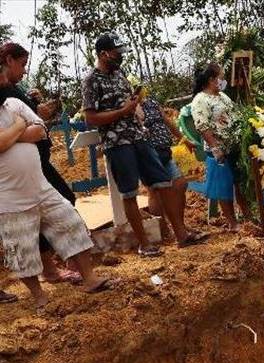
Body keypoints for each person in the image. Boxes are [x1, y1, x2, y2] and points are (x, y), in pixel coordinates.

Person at [81, 33, 204, 256]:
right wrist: (122, 111)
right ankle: (144, 244)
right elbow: (90, 117)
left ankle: (181, 235)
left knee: (163, 183)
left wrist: (134, 107)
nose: (120, 57)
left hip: (140, 137)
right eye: (117, 53)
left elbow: (130, 105)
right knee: (129, 192)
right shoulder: (91, 80)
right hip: (117, 142)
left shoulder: (119, 74)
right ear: (103, 54)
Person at [0, 91, 112, 310]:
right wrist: (20, 126)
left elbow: (41, 131)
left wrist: (10, 136)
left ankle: (90, 279)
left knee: (72, 224)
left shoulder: (14, 103)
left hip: (41, 188)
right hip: (10, 199)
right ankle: (39, 297)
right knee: (22, 252)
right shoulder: (17, 114)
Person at [0, 42, 82, 284]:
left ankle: (60, 264)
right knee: (40, 212)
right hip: (17, 171)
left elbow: (34, 124)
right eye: (22, 64)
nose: (24, 70)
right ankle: (51, 269)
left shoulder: (13, 89)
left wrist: (34, 107)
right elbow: (15, 127)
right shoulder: (4, 91)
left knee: (61, 201)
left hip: (36, 163)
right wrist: (24, 127)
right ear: (9, 60)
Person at [191, 63, 251, 231]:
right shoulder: (200, 100)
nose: (223, 81)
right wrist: (215, 147)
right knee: (223, 186)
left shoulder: (223, 96)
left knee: (239, 183)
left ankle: (248, 215)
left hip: (234, 146)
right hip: (218, 149)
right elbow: (202, 125)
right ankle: (232, 222)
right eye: (221, 78)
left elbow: (234, 114)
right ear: (212, 80)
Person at [132, 84, 196, 240]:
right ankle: (163, 230)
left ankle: (179, 225)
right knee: (155, 192)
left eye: (139, 89)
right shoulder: (131, 109)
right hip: (148, 154)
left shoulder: (152, 103)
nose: (140, 92)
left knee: (180, 184)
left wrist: (183, 139)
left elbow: (167, 121)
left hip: (164, 151)